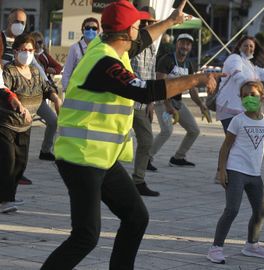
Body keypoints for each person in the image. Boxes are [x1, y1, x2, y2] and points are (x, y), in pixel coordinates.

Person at [40, 1, 223, 269]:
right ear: (127, 31)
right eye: (138, 24)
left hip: (101, 159)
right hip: (79, 159)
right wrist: (196, 79)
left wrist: (171, 20)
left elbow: (143, 40)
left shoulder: (114, 48)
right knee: (86, 236)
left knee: (136, 217)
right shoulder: (103, 63)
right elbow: (146, 91)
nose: (142, 27)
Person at [206, 81, 264, 264]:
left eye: (253, 95)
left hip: (254, 173)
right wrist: (221, 170)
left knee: (261, 210)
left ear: (262, 97)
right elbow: (226, 146)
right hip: (236, 170)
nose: (249, 98)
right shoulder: (238, 120)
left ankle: (252, 245)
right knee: (232, 209)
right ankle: (215, 248)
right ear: (241, 99)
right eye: (245, 95)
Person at [0, 33, 62, 213]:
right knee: (7, 162)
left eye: (30, 50)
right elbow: (4, 92)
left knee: (20, 163)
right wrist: (20, 107)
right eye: (23, 50)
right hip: (7, 123)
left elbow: (46, 87)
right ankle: (4, 200)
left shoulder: (34, 71)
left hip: (25, 126)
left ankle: (9, 197)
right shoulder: (9, 71)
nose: (26, 53)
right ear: (16, 50)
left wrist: (55, 97)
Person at [151, 33, 208, 167]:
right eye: (182, 43)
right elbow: (160, 85)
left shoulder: (188, 64)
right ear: (177, 44)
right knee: (167, 131)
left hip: (177, 102)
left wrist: (201, 105)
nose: (185, 46)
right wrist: (168, 105)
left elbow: (192, 88)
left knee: (194, 130)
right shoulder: (167, 59)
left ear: (190, 47)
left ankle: (178, 158)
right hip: (162, 100)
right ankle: (146, 158)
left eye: (188, 44)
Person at [216, 35, 264, 133]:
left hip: (242, 109)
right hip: (230, 108)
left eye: (251, 46)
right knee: (233, 142)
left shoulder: (250, 64)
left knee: (238, 142)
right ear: (239, 47)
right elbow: (237, 75)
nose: (248, 48)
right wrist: (251, 89)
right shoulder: (234, 58)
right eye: (245, 45)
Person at [129, 6, 159, 196]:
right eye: (144, 22)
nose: (147, 26)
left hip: (142, 103)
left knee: (146, 140)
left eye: (150, 23)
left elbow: (152, 75)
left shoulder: (153, 46)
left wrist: (151, 101)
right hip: (125, 102)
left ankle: (138, 180)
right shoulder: (130, 45)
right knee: (114, 142)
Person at [1, 8, 33, 185]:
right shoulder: (1, 39)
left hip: (23, 93)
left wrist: (51, 90)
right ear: (8, 20)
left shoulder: (24, 43)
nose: (19, 25)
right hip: (5, 90)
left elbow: (35, 64)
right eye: (16, 21)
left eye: (22, 22)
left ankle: (17, 172)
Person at [30, 31, 63, 161]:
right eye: (35, 42)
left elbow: (58, 68)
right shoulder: (25, 56)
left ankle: (45, 150)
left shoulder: (43, 56)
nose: (38, 45)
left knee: (53, 121)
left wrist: (52, 70)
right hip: (23, 97)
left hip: (40, 96)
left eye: (40, 42)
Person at [61, 17, 100, 91]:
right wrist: (67, 91)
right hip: (77, 90)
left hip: (95, 91)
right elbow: (67, 72)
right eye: (87, 28)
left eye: (94, 28)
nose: (91, 30)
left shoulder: (101, 48)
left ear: (98, 31)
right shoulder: (74, 48)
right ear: (83, 30)